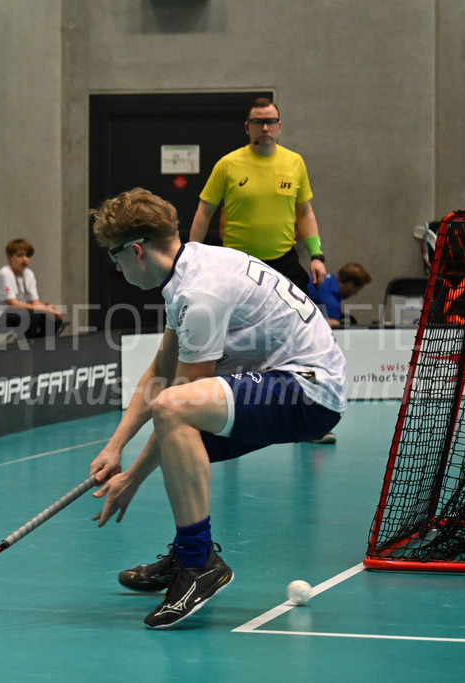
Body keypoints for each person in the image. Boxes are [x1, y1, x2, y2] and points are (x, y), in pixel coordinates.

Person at [88, 188, 346, 629]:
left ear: (136, 250)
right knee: (181, 433)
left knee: (175, 413)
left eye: (115, 257)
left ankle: (199, 566)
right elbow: (160, 368)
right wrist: (116, 447)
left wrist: (132, 476)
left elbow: (177, 401)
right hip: (285, 381)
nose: (116, 267)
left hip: (306, 389)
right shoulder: (190, 266)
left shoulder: (200, 294)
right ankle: (187, 552)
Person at [188, 98, 327, 294]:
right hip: (239, 264)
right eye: (257, 122)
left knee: (294, 319)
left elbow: (305, 212)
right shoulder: (227, 165)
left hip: (284, 263)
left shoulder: (295, 162)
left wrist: (316, 256)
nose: (264, 128)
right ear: (247, 127)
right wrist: (193, 256)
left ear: (279, 127)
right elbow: (204, 211)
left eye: (270, 122)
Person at [0, 238, 65, 340]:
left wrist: (47, 309)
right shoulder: (4, 274)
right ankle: (24, 352)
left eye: (28, 256)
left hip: (21, 313)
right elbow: (13, 303)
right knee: (31, 317)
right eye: (20, 256)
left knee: (52, 319)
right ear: (9, 257)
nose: (25, 259)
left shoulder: (29, 274)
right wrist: (42, 309)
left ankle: (39, 351)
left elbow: (35, 302)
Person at [307, 261, 372, 328]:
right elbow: (334, 326)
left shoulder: (326, 279)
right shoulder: (331, 299)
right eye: (357, 289)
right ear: (350, 285)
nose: (356, 294)